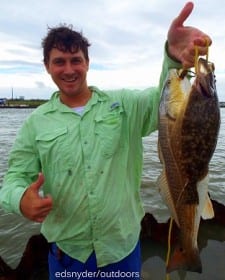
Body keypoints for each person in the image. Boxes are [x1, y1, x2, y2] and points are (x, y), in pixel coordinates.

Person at [0, 2, 211, 280]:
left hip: (122, 253)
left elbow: (166, 103)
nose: (68, 69)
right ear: (47, 67)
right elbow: (13, 178)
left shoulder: (123, 104)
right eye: (59, 61)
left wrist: (172, 58)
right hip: (67, 259)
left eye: (76, 60)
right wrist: (20, 200)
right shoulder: (35, 122)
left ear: (87, 62)